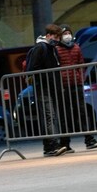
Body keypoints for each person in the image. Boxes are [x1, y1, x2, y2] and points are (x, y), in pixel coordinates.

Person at [55, 24, 97, 152]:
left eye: (69, 33)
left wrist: (80, 78)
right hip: (64, 87)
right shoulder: (57, 49)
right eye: (64, 34)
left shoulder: (76, 48)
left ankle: (89, 139)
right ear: (59, 36)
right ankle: (65, 144)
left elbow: (81, 63)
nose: (67, 36)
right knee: (65, 115)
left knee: (82, 113)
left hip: (77, 85)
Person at [26, 24, 67, 157]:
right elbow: (32, 68)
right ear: (48, 35)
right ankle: (52, 146)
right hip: (43, 87)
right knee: (49, 116)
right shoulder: (41, 47)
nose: (57, 39)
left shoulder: (51, 48)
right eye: (55, 37)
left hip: (50, 87)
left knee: (50, 116)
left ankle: (50, 146)